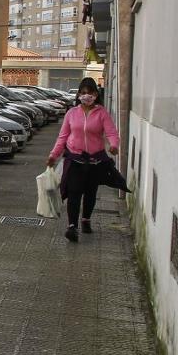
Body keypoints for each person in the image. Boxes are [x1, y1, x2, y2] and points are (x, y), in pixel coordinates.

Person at [47, 77, 119, 242]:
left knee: (90, 193)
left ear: (96, 94)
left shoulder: (102, 113)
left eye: (90, 93)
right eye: (83, 93)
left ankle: (86, 218)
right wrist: (53, 155)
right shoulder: (72, 113)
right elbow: (63, 136)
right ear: (79, 94)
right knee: (73, 192)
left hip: (95, 161)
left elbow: (111, 133)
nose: (87, 96)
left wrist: (114, 146)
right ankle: (72, 226)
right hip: (74, 159)